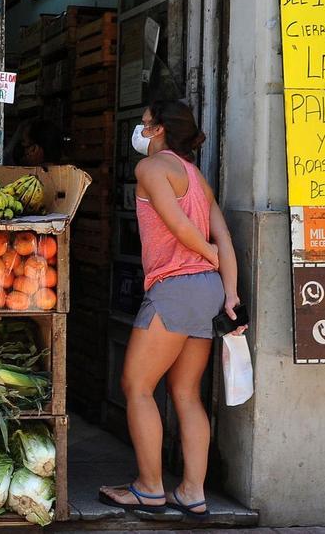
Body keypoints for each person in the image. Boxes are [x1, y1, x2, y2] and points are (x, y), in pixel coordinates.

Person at [98, 100, 246, 519]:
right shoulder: (198, 178)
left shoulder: (151, 169)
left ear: (159, 129)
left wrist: (209, 256)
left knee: (137, 386)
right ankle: (192, 492)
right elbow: (226, 239)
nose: (139, 130)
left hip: (175, 287)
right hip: (207, 292)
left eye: (144, 124)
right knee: (185, 393)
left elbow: (180, 227)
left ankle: (149, 488)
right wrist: (229, 293)